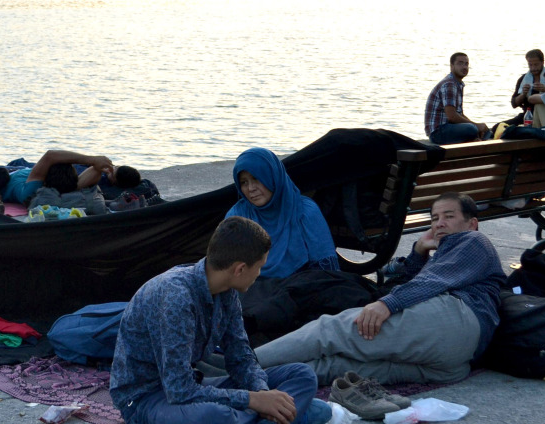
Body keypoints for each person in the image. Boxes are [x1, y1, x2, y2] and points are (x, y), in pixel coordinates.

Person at [253, 193, 505, 386]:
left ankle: (238, 364)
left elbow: (430, 282)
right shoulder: (451, 257)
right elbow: (396, 278)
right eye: (434, 219)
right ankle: (248, 380)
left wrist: (387, 304)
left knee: (330, 330)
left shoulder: (474, 241)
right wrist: (419, 250)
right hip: (456, 363)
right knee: (337, 366)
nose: (439, 224)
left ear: (472, 223)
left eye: (448, 217)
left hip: (457, 321)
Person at [110, 217, 330, 424]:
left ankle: (265, 416)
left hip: (190, 387)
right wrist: (251, 400)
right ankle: (287, 415)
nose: (259, 274)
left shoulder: (227, 292)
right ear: (240, 269)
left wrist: (263, 394)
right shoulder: (176, 297)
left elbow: (241, 357)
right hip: (146, 399)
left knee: (302, 375)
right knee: (217, 415)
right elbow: (179, 391)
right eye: (260, 266)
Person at [226, 148, 339, 279]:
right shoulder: (238, 216)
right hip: (251, 291)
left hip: (300, 290)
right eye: (244, 183)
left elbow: (326, 270)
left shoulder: (304, 211)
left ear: (272, 176)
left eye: (256, 178)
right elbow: (228, 269)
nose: (251, 188)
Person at [0, 150, 114, 205]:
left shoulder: (31, 190)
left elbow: (50, 156)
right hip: (16, 171)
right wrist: (97, 163)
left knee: (1, 172)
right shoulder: (67, 186)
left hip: (2, 177)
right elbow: (96, 170)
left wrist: (93, 160)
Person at [424, 53, 488, 144]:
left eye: (466, 64)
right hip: (438, 132)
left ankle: (474, 139)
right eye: (460, 63)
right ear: (451, 66)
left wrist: (477, 127)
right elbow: (452, 117)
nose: (464, 67)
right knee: (471, 128)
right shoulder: (449, 84)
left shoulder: (457, 84)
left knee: (478, 130)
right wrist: (476, 126)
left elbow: (459, 115)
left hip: (447, 129)